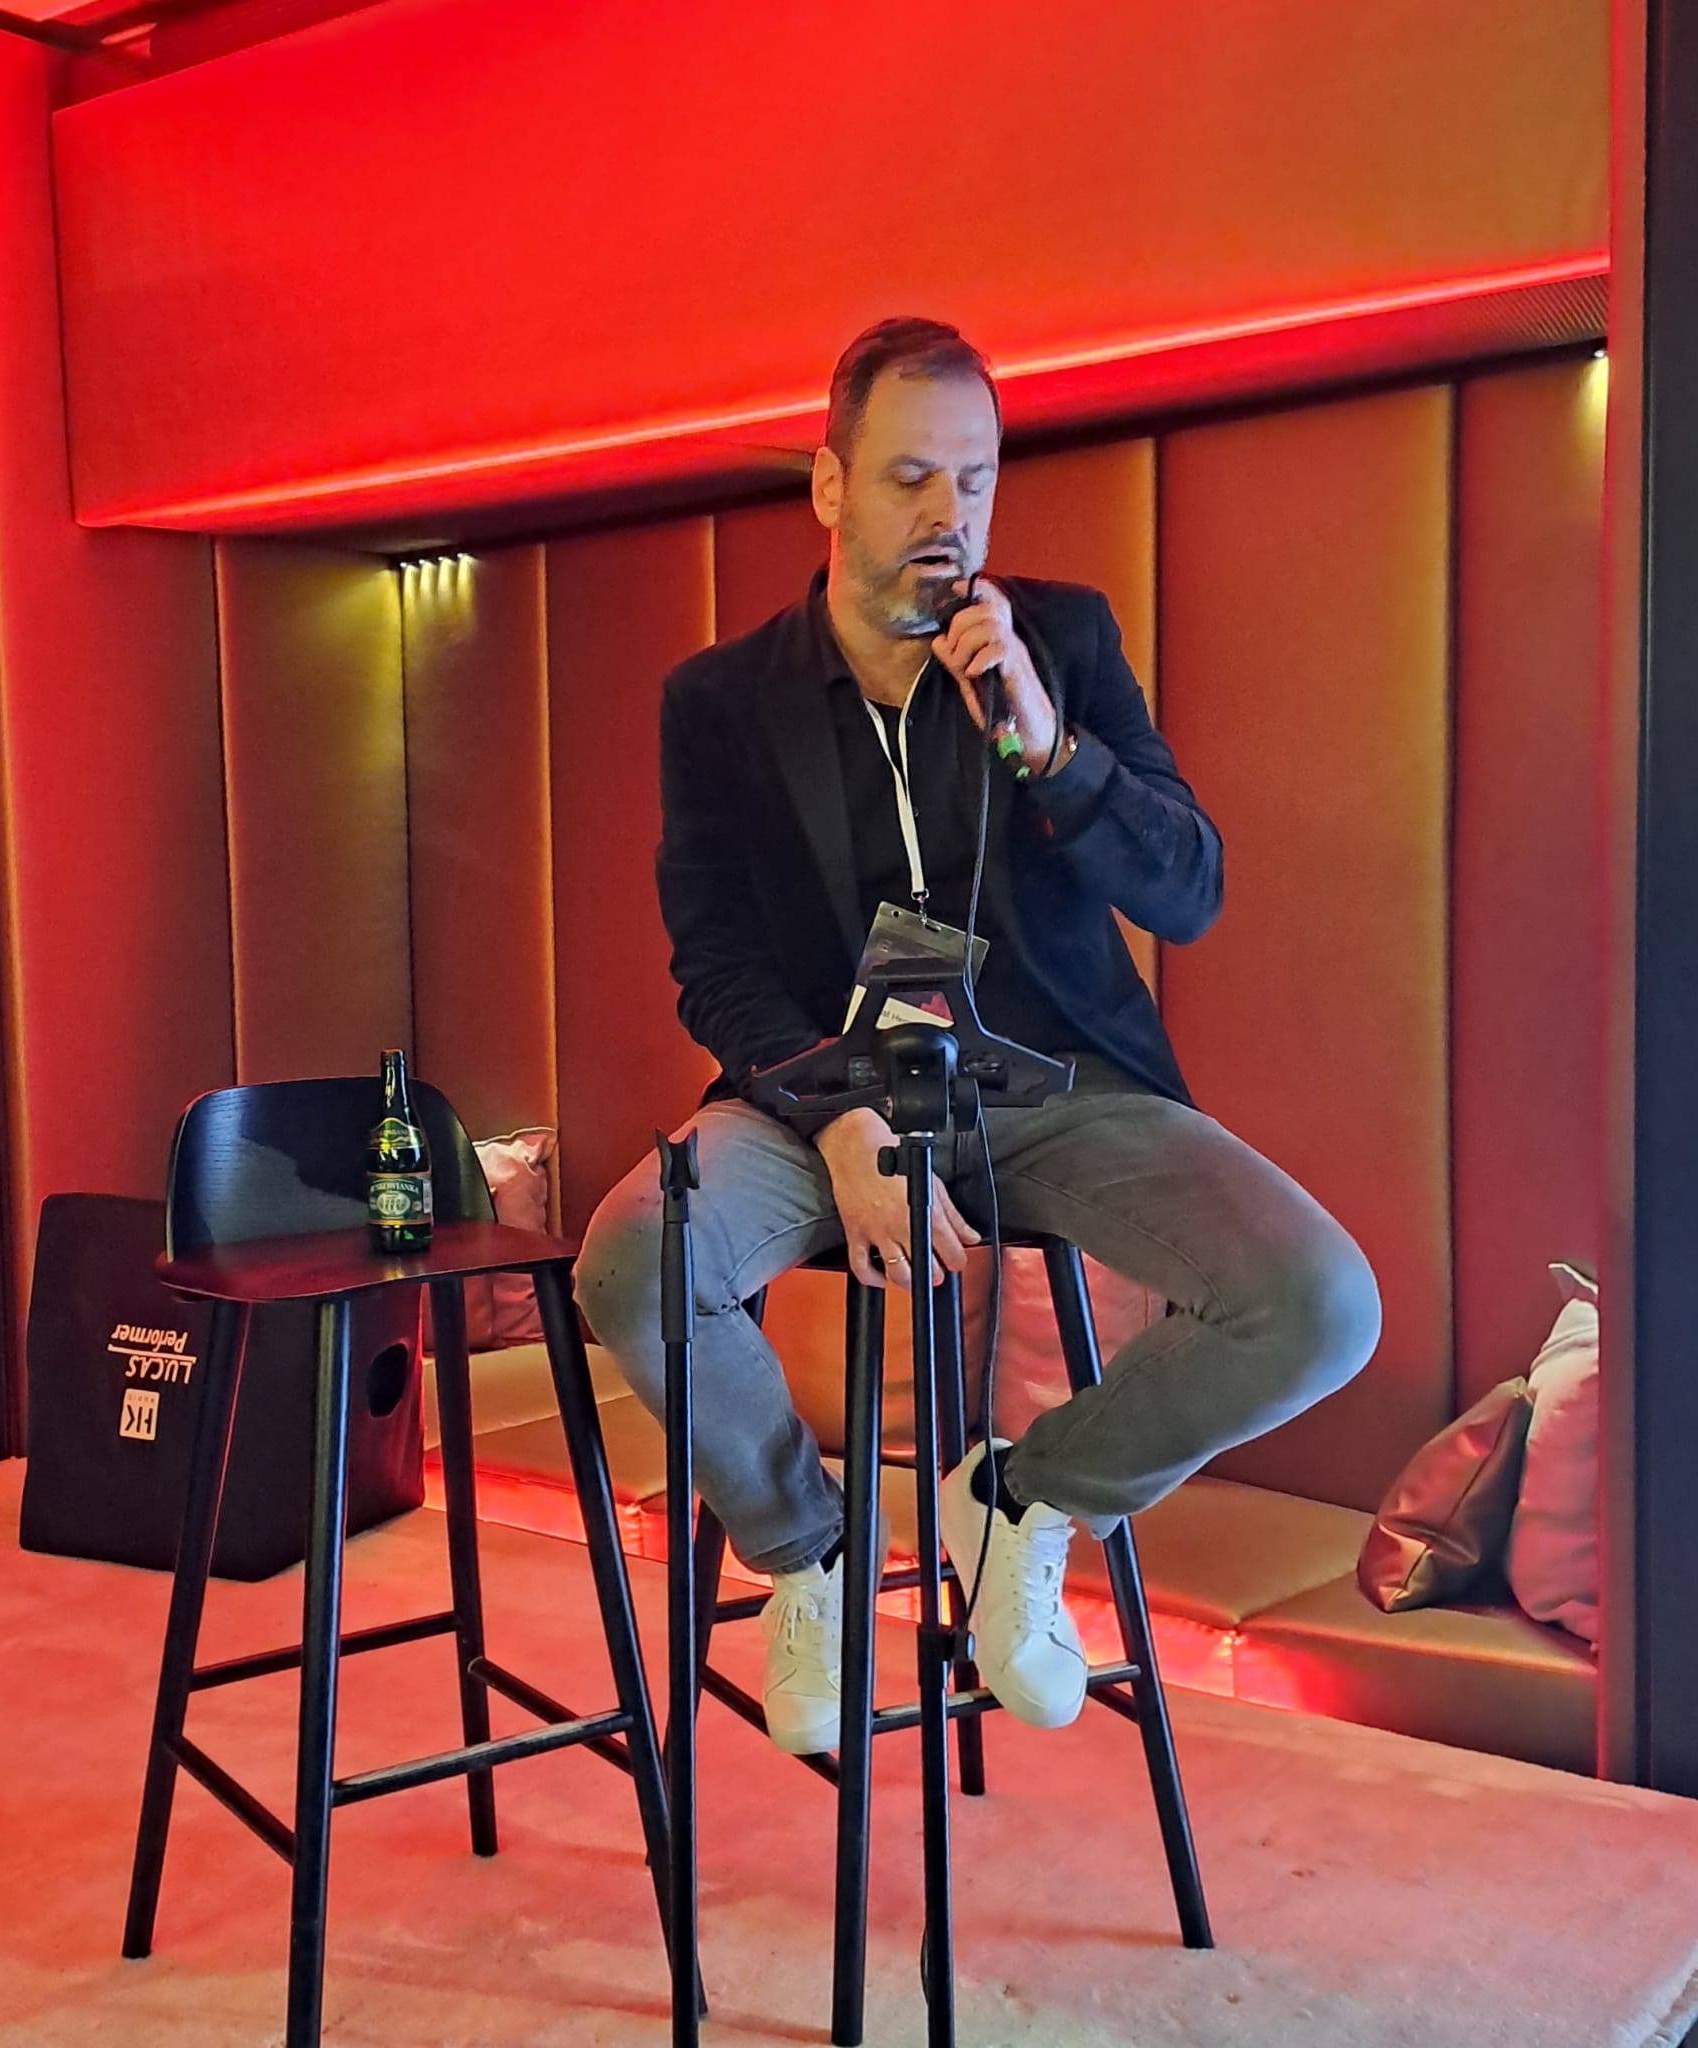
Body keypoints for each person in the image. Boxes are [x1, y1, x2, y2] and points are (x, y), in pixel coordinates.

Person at [575, 317, 1380, 1756]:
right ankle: (810, 1550)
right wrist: (838, 1116)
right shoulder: (719, 704)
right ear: (829, 486)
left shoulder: (1060, 642)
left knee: (1322, 1304)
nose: (947, 516)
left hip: (1048, 1084)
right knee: (633, 1262)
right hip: (817, 1093)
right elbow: (716, 963)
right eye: (908, 479)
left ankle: (1024, 1499)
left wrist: (1050, 743)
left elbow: (1188, 891)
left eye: (975, 480)